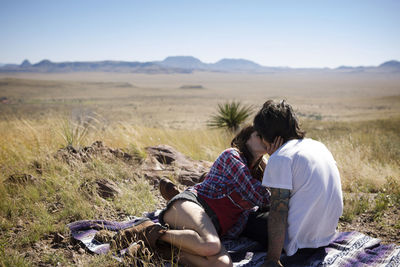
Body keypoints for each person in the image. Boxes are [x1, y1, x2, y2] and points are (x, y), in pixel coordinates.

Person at [114, 125, 282, 266]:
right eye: (259, 135)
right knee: (210, 245)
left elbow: (271, 201)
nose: (265, 139)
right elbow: (263, 197)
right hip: (196, 205)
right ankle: (148, 230)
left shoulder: (259, 172)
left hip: (212, 227)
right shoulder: (232, 156)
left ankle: (160, 248)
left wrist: (270, 163)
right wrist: (274, 161)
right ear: (246, 139)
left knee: (223, 264)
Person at [253, 100, 343, 267]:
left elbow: (278, 212)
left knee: (250, 220)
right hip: (325, 235)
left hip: (299, 244)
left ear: (266, 135)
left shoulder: (281, 157)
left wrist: (273, 259)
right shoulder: (318, 146)